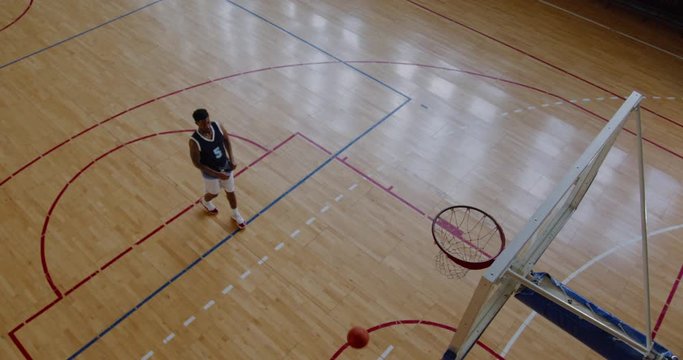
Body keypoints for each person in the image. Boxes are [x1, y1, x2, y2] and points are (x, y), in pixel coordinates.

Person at [189, 108, 246, 229]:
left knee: (230, 191)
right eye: (204, 124)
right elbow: (197, 164)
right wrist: (217, 174)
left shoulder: (217, 125)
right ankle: (205, 201)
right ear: (197, 124)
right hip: (210, 173)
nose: (208, 125)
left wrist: (232, 158)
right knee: (214, 193)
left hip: (225, 166)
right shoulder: (194, 141)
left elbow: (226, 140)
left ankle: (235, 214)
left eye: (208, 122)